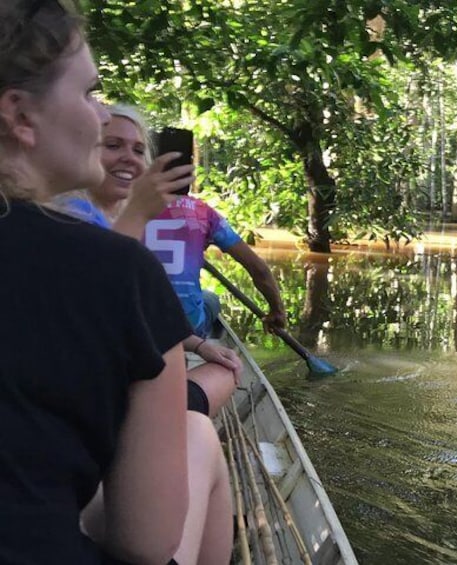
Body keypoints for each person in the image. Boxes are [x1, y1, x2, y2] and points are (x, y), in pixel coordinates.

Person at [0, 2, 231, 564]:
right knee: (198, 438)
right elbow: (145, 543)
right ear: (19, 117)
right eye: (88, 94)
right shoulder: (119, 270)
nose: (101, 117)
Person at [58, 103, 242, 418]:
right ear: (83, 150)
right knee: (223, 377)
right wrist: (137, 214)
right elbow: (92, 302)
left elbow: (138, 307)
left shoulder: (111, 216)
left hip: (123, 376)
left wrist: (198, 345)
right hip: (95, 395)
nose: (129, 157)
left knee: (216, 363)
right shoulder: (70, 215)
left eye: (139, 150)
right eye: (112, 145)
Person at [145, 195, 288, 340]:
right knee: (211, 298)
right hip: (187, 327)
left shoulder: (130, 208)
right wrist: (277, 310)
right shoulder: (203, 212)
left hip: (137, 320)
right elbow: (259, 270)